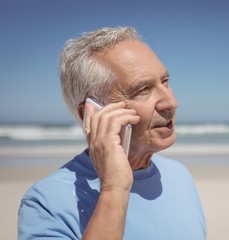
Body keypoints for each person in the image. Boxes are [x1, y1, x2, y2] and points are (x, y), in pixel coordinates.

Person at [18, 26, 207, 239]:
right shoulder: (46, 205)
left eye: (165, 81)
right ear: (91, 113)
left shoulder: (179, 174)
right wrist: (114, 188)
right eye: (143, 89)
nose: (172, 102)